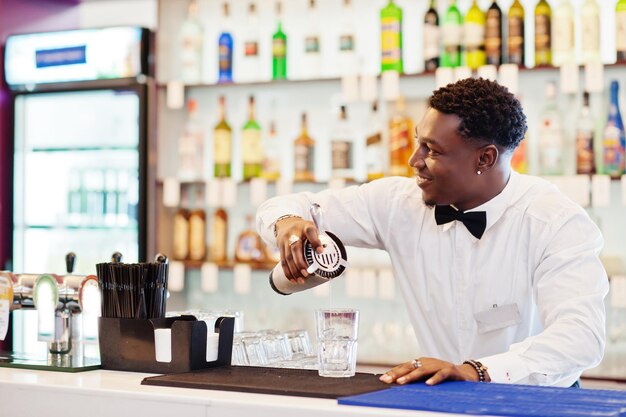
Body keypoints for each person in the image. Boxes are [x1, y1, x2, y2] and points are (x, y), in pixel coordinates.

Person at [255, 78, 608, 387]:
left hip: (535, 405)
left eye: (432, 151)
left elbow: (580, 337)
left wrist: (477, 371)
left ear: (485, 159)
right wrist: (287, 223)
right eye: (417, 142)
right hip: (440, 400)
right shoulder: (397, 203)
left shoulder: (554, 221)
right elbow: (291, 205)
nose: (414, 160)